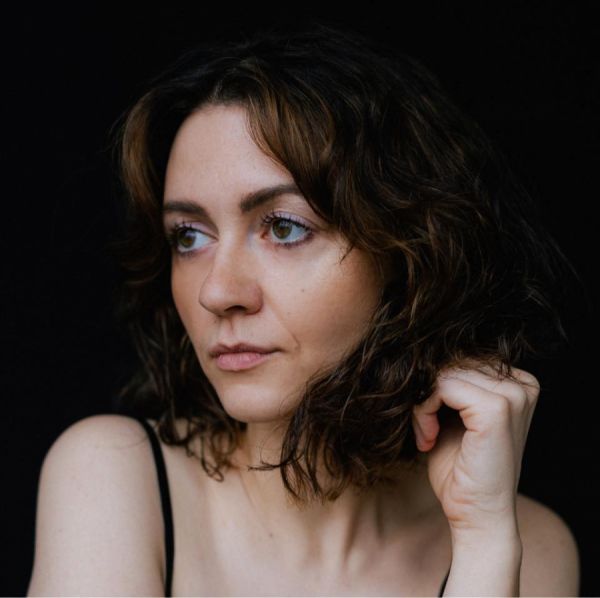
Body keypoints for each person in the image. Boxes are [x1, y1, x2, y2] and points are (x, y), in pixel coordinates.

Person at [27, 22, 581, 596]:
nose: (217, 291)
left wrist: (484, 541)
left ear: (408, 253)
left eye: (285, 227)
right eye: (189, 236)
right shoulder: (113, 474)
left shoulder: (528, 544)